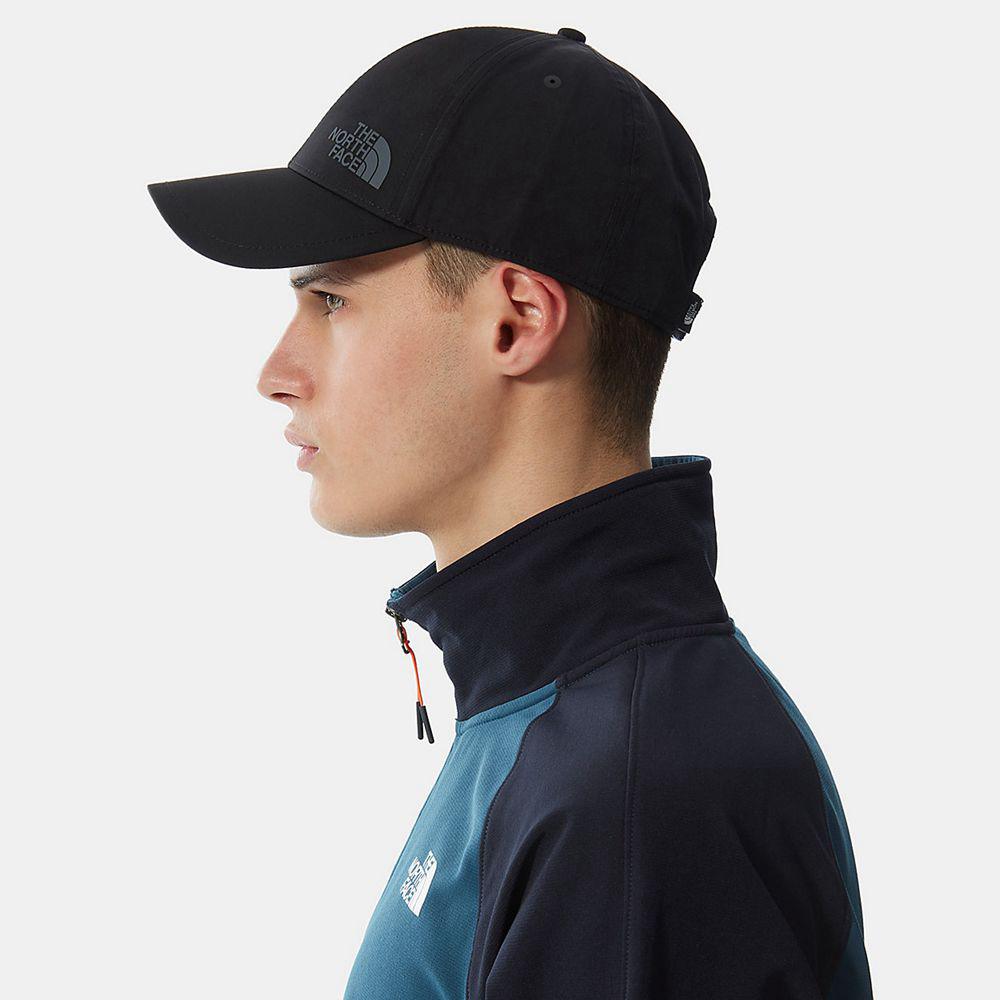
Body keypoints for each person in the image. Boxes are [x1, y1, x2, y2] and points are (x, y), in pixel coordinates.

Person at [147, 23, 874, 1000]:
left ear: (517, 320)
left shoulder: (629, 789)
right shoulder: (561, 728)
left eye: (331, 301)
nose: (275, 373)